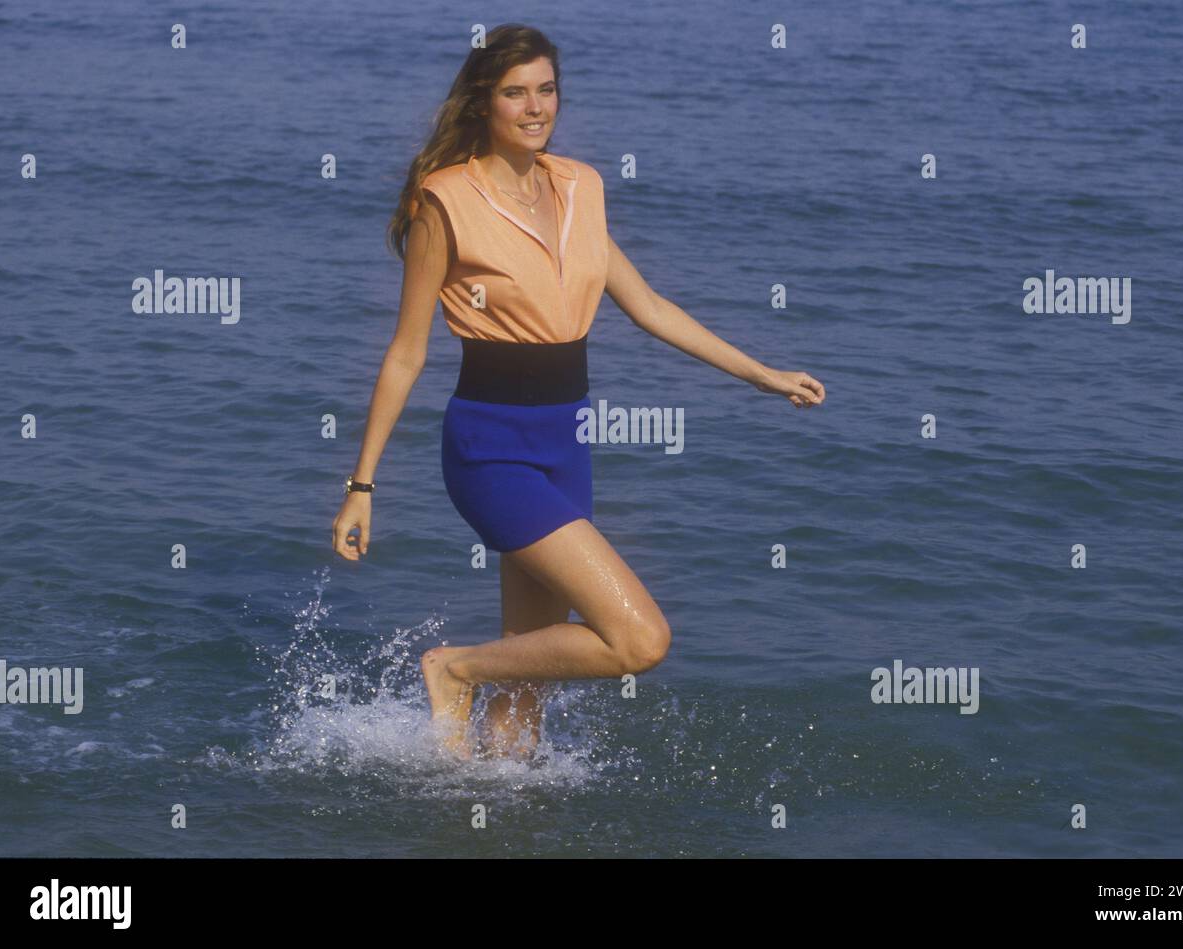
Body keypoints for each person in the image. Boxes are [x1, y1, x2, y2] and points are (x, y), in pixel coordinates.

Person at [332, 24, 825, 761]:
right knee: (638, 639)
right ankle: (451, 667)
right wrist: (362, 483)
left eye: (546, 89)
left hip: (566, 443)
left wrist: (762, 373)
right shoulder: (447, 200)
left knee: (529, 686)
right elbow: (406, 352)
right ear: (483, 102)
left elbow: (649, 306)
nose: (536, 107)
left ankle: (495, 811)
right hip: (490, 448)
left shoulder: (581, 186)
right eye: (515, 92)